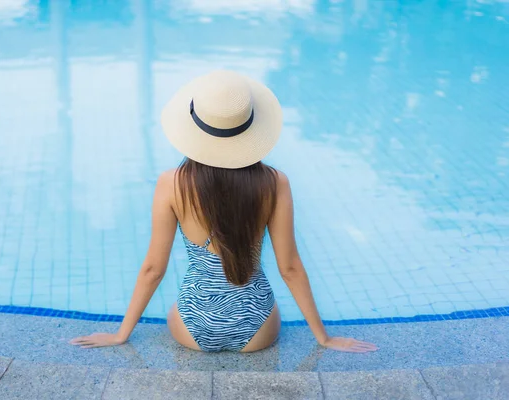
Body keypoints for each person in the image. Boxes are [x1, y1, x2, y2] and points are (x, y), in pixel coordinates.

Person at [70, 70, 378, 353]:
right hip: (257, 328)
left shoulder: (171, 184)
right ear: (251, 127)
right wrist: (324, 338)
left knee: (175, 309)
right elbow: (290, 268)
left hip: (193, 325)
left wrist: (120, 334)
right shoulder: (274, 183)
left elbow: (153, 269)